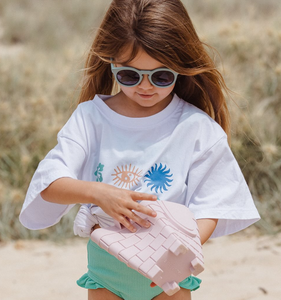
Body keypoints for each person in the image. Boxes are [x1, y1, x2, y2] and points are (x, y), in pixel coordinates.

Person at [19, 0, 260, 299]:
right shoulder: (91, 118)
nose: (146, 87)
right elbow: (50, 185)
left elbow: (214, 203)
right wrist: (99, 193)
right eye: (130, 76)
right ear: (112, 64)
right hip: (107, 267)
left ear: (180, 68)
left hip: (168, 268)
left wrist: (178, 251)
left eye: (161, 76)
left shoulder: (196, 127)